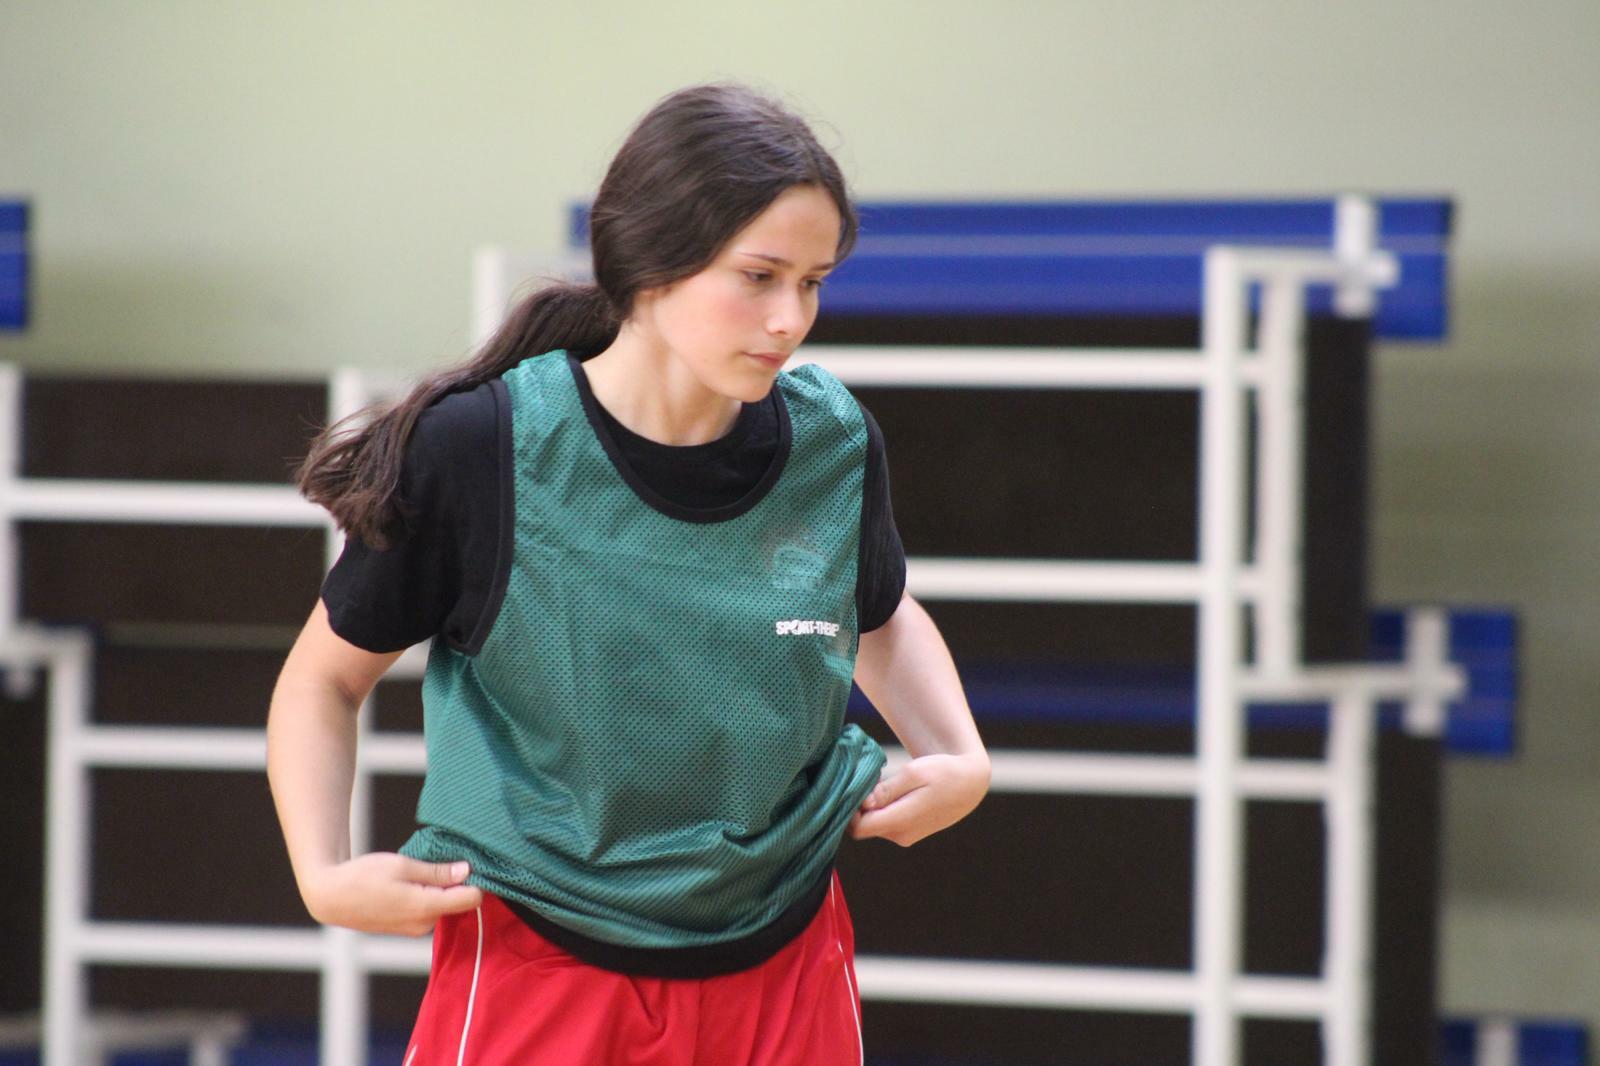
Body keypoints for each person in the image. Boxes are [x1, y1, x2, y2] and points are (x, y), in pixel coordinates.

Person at [266, 82, 989, 1066]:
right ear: (651, 260)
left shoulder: (832, 440)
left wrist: (958, 753)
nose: (790, 318)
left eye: (813, 282)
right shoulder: (483, 448)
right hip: (539, 954)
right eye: (759, 276)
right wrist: (320, 872)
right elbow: (322, 680)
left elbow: (880, 612)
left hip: (788, 952)